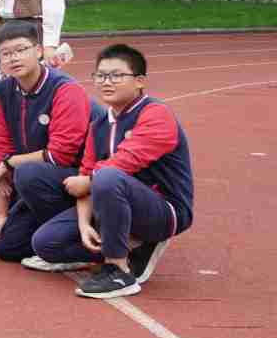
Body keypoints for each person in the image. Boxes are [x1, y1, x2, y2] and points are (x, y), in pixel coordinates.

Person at [48, 44, 195, 299]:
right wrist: (83, 223)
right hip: (112, 200)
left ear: (139, 81)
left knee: (107, 176)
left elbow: (125, 162)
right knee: (46, 243)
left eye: (116, 75)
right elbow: (86, 171)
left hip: (164, 210)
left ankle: (118, 269)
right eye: (101, 75)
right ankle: (124, 243)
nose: (107, 82)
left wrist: (88, 181)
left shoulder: (156, 114)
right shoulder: (99, 125)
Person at [0, 21, 92, 266]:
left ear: (39, 51)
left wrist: (10, 163)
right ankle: (51, 237)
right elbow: (0, 149)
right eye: (6, 53)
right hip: (40, 180)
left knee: (28, 174)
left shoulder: (65, 89)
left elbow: (60, 155)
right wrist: (1, 214)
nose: (14, 58)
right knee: (5, 245)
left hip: (79, 179)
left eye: (21, 50)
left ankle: (78, 236)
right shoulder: (2, 91)